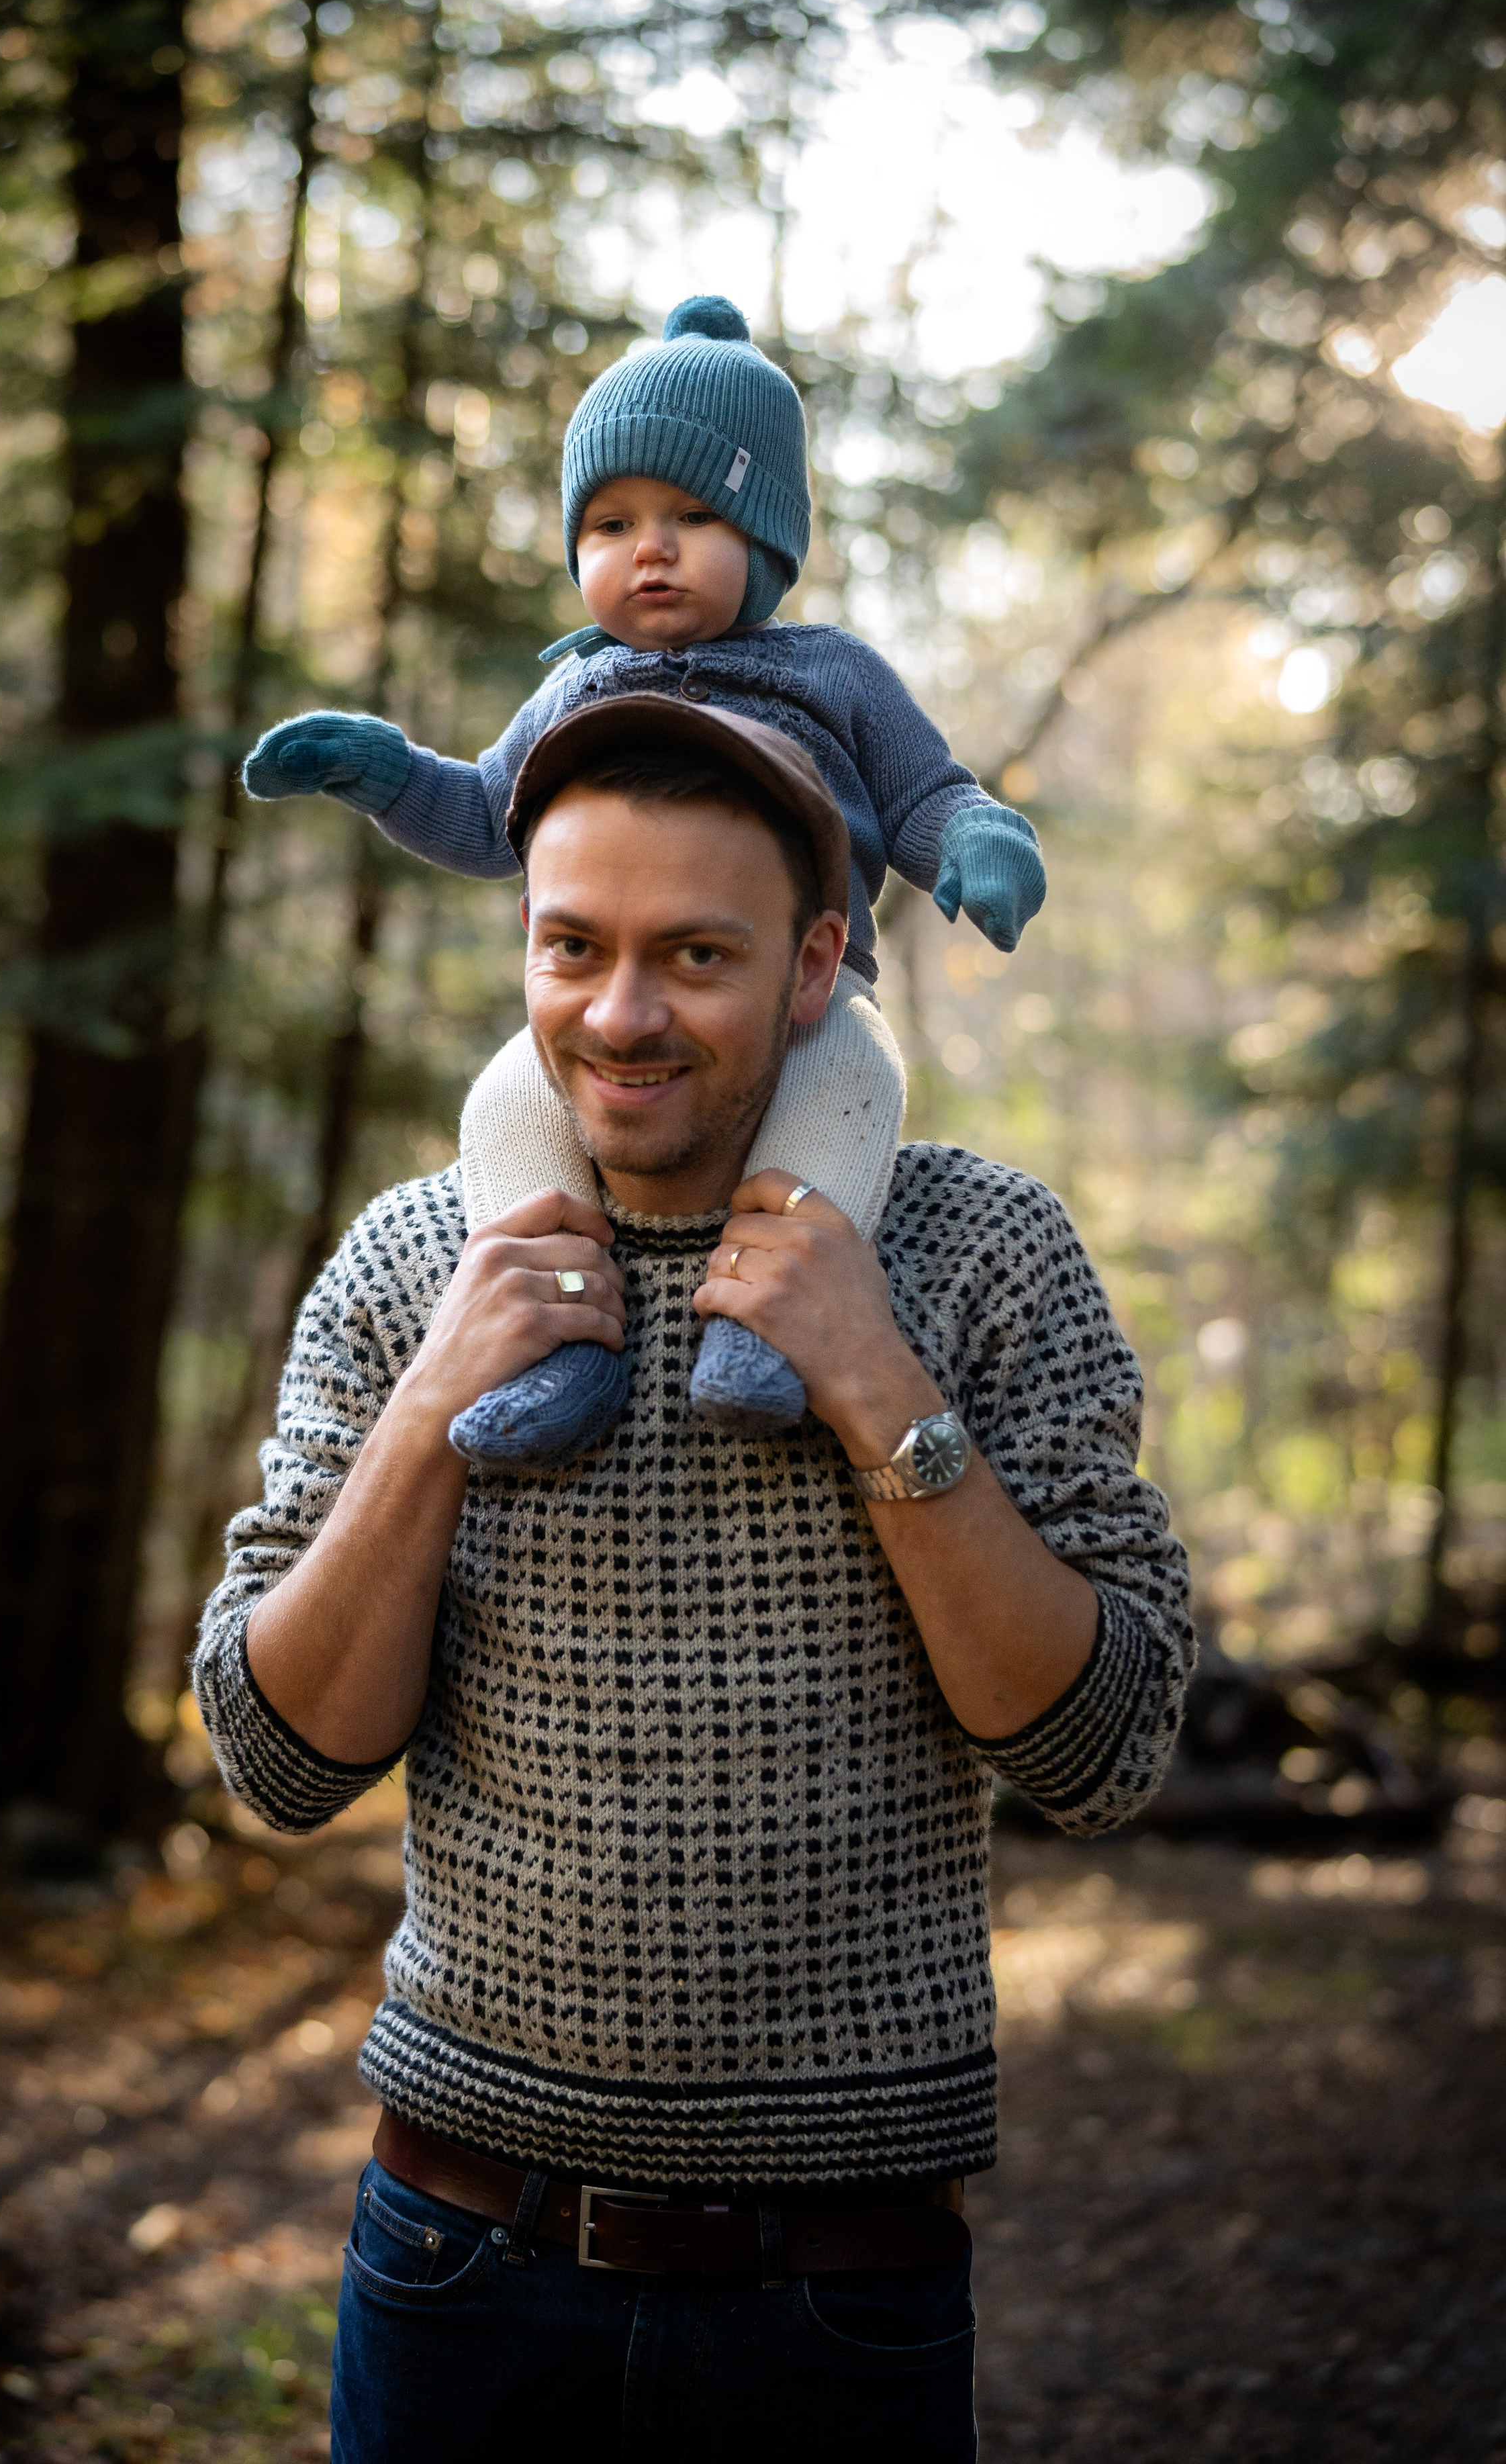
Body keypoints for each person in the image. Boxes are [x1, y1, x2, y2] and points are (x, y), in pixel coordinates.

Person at [193, 692, 1192, 2462]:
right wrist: (435, 1401)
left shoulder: (984, 1249)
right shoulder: (413, 1255)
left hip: (841, 2287)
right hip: (454, 2262)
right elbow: (279, 1764)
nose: (620, 1014)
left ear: (818, 968)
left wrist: (878, 1381)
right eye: (572, 946)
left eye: (695, 956)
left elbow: (1103, 1757)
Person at [240, 293, 1045, 1463]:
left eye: (691, 514)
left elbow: (926, 792)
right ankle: (566, 1346)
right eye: (609, 523)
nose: (649, 548)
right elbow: (481, 816)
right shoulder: (573, 693)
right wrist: (380, 772)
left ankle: (765, 1327)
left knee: (854, 1098)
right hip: (628, 1032)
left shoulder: (832, 671)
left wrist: (978, 838)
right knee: (507, 1107)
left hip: (806, 1009)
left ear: (769, 541)